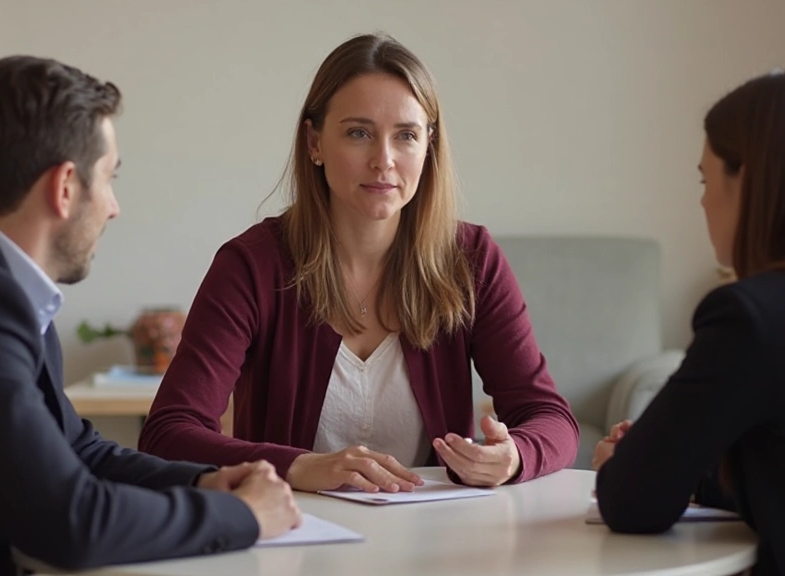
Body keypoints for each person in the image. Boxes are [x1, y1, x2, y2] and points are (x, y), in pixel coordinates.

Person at [0, 56, 300, 576]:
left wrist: (202, 481)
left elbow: (79, 450)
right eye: (109, 178)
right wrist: (242, 515)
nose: (114, 206)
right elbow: (71, 523)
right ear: (66, 186)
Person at [138, 33, 579, 493]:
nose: (383, 160)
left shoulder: (472, 259)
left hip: (437, 540)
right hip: (290, 534)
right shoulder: (251, 265)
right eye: (358, 133)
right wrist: (300, 467)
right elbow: (167, 433)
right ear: (314, 142)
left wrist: (514, 457)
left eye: (406, 136)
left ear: (429, 146)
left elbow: (550, 418)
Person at [593, 68, 785, 574]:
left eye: (707, 179)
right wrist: (682, 467)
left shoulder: (756, 317)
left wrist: (625, 468)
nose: (703, 200)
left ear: (750, 182)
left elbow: (631, 503)